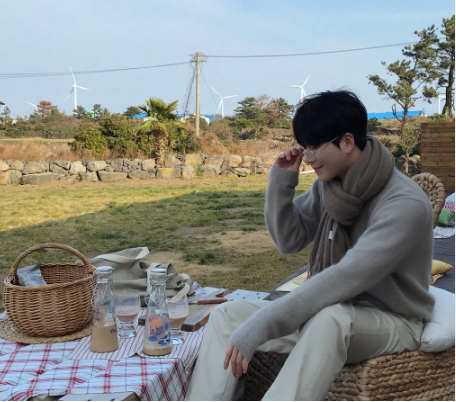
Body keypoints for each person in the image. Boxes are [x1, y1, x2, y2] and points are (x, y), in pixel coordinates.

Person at [186, 90, 434, 401]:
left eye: (314, 147)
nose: (307, 157)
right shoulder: (330, 187)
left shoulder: (404, 203)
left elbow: (350, 275)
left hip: (393, 319)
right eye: (304, 148)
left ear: (346, 142)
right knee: (229, 316)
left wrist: (265, 322)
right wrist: (281, 182)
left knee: (330, 320)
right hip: (332, 309)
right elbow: (289, 240)